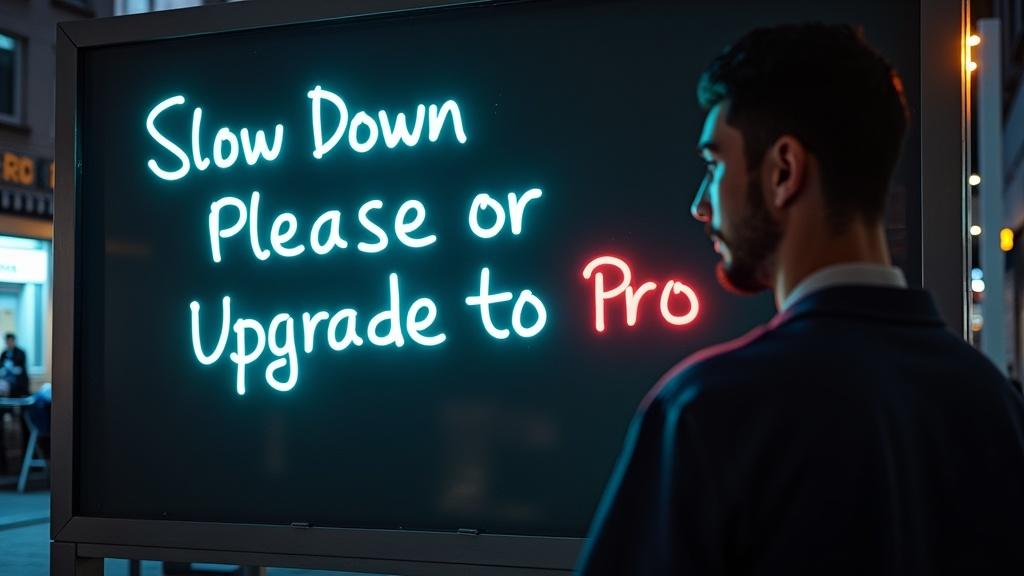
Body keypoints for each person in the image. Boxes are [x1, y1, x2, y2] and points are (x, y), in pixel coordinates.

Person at [576, 23, 1024, 575]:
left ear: (784, 171)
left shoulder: (707, 410)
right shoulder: (996, 408)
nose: (700, 205)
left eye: (714, 165)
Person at [0, 332, 29, 398]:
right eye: (7, 341)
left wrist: (12, 368)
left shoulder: (21, 353)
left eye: (10, 341)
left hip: (17, 381)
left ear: (14, 341)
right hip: (5, 379)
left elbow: (21, 369)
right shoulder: (4, 353)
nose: (9, 343)